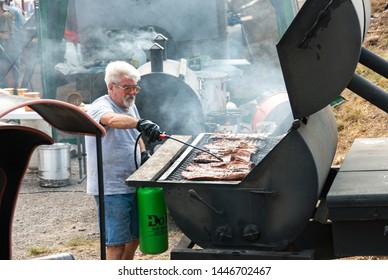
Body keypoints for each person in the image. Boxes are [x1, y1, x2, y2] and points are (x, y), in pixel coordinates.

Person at [85, 61, 161, 260]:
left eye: (135, 87)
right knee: (116, 243)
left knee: (135, 238)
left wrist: (143, 153)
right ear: (111, 86)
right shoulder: (99, 107)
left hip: (132, 182)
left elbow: (135, 134)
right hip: (111, 187)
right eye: (127, 87)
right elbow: (112, 120)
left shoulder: (129, 105)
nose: (132, 92)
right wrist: (140, 122)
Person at [0, 0, 15, 88]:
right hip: (2, 50)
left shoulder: (6, 15)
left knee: (8, 75)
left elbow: (6, 36)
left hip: (8, 50)